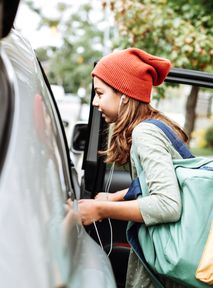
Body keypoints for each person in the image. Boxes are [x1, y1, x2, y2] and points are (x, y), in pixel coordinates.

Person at [77, 48, 188, 288]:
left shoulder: (145, 133)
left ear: (125, 95)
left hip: (162, 267)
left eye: (100, 93)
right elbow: (157, 182)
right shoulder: (155, 125)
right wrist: (117, 196)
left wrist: (101, 209)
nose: (95, 102)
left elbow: (168, 205)